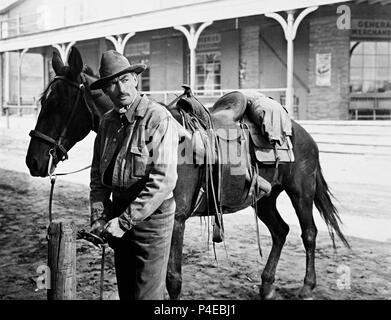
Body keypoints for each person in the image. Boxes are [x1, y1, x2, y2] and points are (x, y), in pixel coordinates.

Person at [89, 50, 179, 300]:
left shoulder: (158, 117)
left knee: (147, 295)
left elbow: (163, 180)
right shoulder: (107, 123)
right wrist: (99, 216)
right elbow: (97, 177)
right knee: (127, 292)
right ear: (106, 90)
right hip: (119, 214)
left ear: (136, 80)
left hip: (152, 219)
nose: (120, 88)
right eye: (112, 83)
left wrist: (125, 221)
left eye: (125, 79)